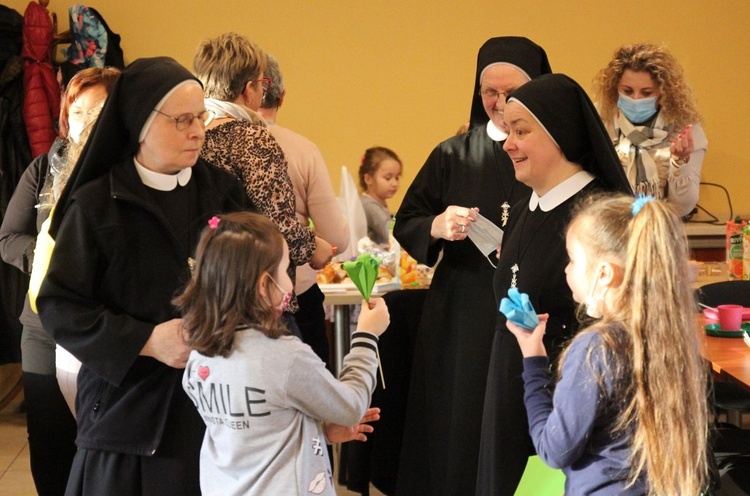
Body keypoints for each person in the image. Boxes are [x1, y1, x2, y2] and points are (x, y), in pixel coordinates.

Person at [36, 57, 254, 495]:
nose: (198, 131)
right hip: (131, 415)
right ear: (139, 122)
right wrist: (147, 341)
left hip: (221, 407)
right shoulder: (97, 205)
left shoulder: (222, 190)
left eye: (201, 117)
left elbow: (262, 274)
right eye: (183, 120)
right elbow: (59, 306)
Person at [393, 37, 551, 496]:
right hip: (462, 310)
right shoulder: (454, 153)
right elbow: (408, 220)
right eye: (490, 93)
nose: (500, 104)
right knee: (458, 422)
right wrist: (438, 225)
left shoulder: (553, 155)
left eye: (512, 92)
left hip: (531, 310)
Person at [478, 73, 633, 495]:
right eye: (508, 131)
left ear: (560, 135)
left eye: (521, 131)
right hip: (515, 394)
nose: (508, 143)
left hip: (565, 416)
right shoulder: (530, 203)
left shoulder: (594, 215)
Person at [507, 193, 710, 495]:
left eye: (573, 260)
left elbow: (553, 449)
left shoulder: (596, 349)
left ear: (603, 273)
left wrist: (533, 360)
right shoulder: (674, 338)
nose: (566, 269)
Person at [177, 212, 389, 495]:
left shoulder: (200, 355)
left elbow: (252, 432)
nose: (290, 283)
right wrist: (366, 336)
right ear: (265, 284)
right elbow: (351, 407)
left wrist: (317, 430)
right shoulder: (285, 356)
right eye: (287, 269)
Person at [0, 66, 119, 496]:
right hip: (44, 328)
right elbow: (9, 238)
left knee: (105, 449)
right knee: (50, 448)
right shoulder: (41, 169)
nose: (87, 119)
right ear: (67, 116)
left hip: (106, 328)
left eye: (100, 109)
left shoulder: (127, 173)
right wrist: (51, 260)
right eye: (79, 110)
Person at [194, 32, 334, 338]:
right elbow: (275, 222)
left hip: (212, 296)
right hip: (257, 298)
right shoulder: (253, 139)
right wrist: (313, 247)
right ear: (248, 89)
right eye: (261, 83)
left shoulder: (192, 136)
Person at [258, 53, 349, 366]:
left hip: (227, 302)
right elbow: (337, 236)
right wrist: (312, 242)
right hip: (293, 294)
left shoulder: (210, 142)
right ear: (281, 97)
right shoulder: (300, 149)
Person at [593, 43, 707, 217]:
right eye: (628, 91)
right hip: (606, 227)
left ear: (663, 93)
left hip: (657, 230)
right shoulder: (599, 120)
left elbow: (683, 207)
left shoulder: (685, 129)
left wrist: (679, 163)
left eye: (646, 93)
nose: (636, 99)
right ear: (615, 88)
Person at [359, 146, 402, 246]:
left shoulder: (377, 203)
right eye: (388, 178)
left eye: (397, 177)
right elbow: (391, 233)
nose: (395, 183)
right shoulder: (369, 205)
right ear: (368, 179)